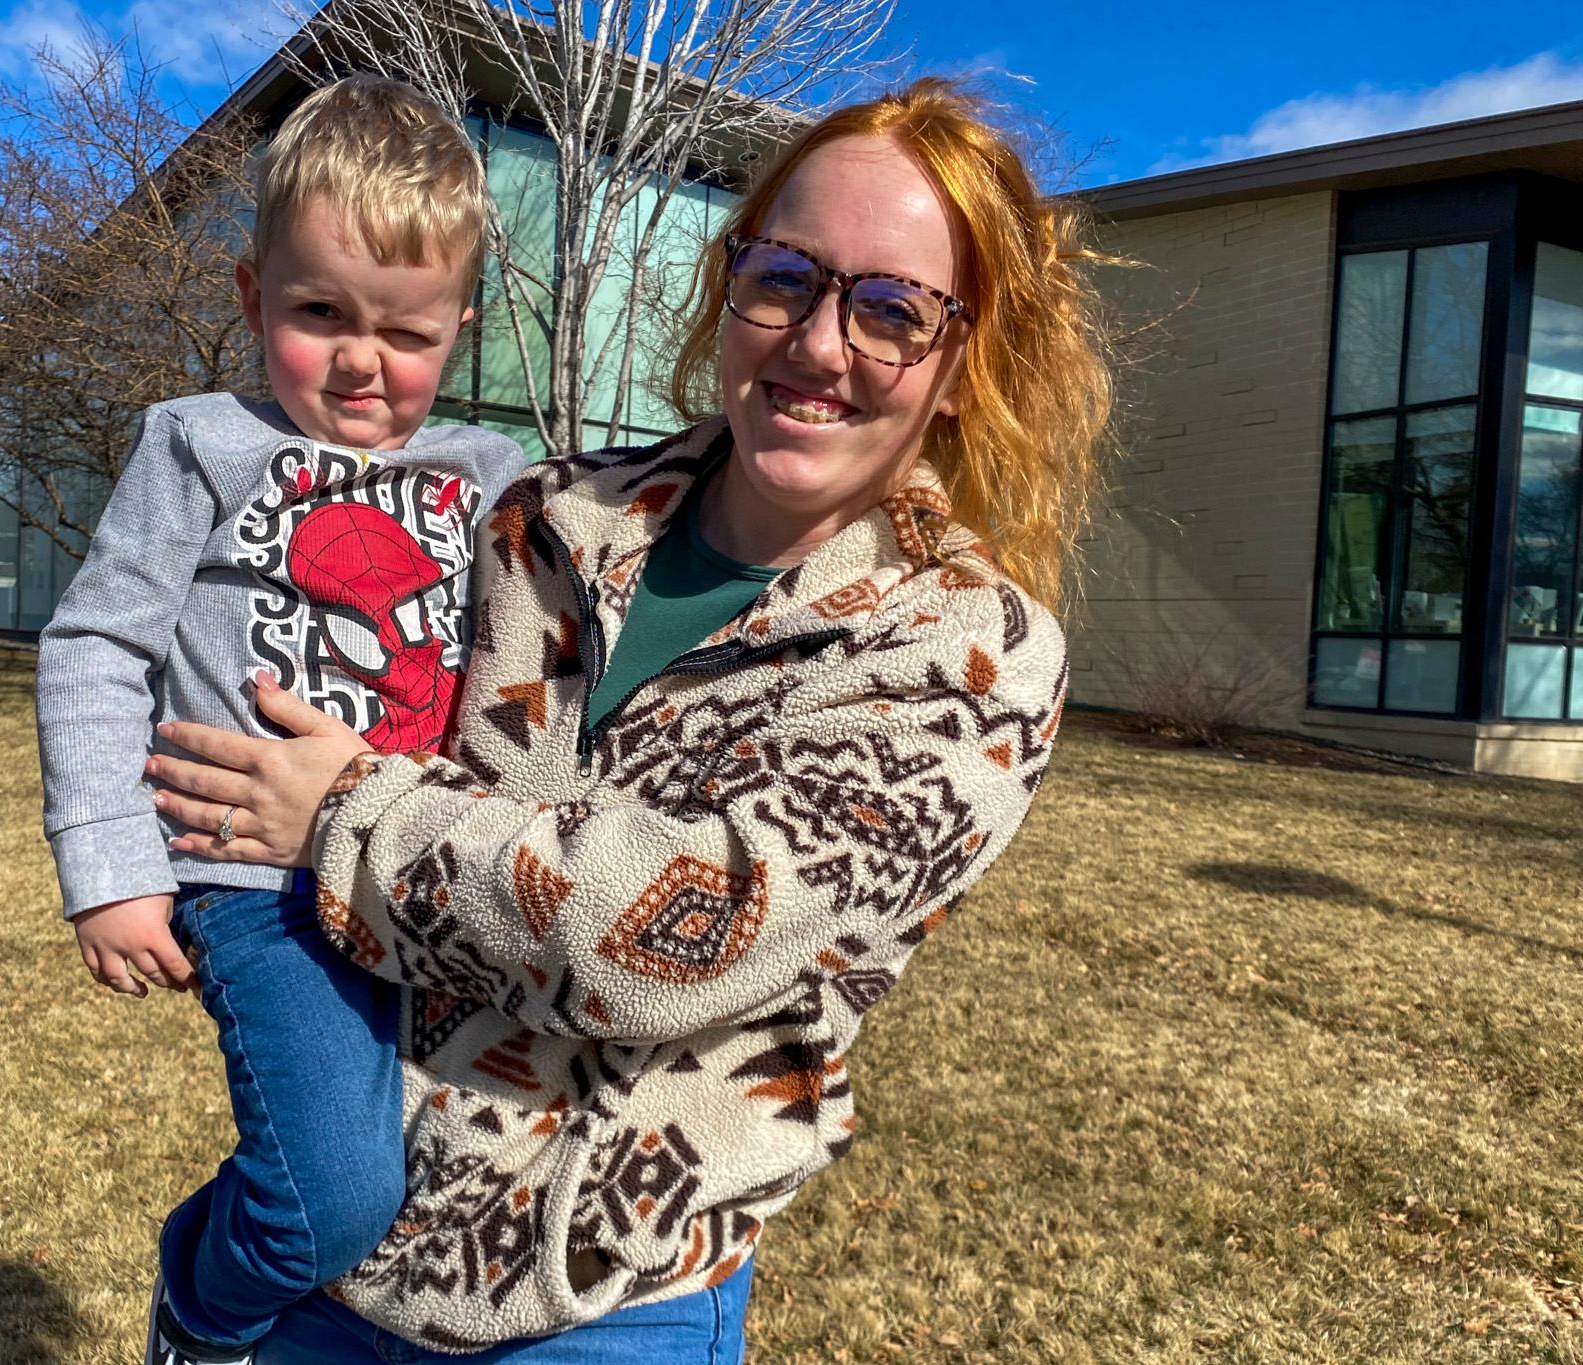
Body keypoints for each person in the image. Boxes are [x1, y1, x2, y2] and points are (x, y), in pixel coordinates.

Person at [145, 77, 1111, 1360]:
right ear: (729, 286)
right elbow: (289, 657)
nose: (818, 345)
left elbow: (685, 934)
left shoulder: (965, 653)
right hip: (338, 1253)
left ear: (958, 366)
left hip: (595, 1296)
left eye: (890, 311)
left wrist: (338, 812)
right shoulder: (534, 517)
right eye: (784, 279)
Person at [33, 76, 525, 1365]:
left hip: (419, 882)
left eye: (407, 334)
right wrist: (111, 869)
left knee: (419, 1173)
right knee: (337, 1197)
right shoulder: (197, 446)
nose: (363, 360)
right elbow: (94, 644)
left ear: (457, 332)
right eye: (320, 315)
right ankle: (202, 1313)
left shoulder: (486, 478)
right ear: (253, 298)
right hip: (252, 883)